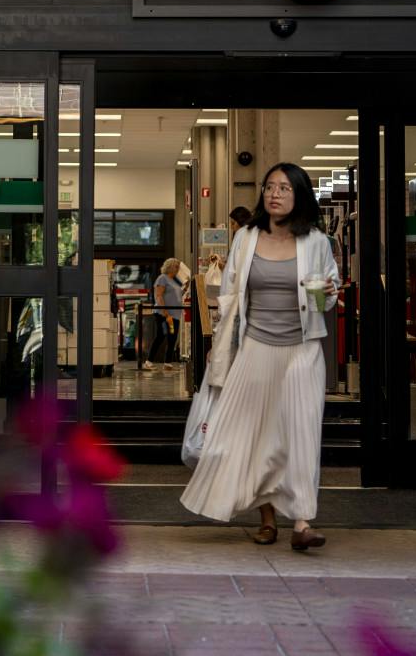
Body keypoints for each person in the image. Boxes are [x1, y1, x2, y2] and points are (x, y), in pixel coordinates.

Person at [180, 167, 341, 552]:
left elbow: (327, 295)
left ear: (299, 195)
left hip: (302, 349)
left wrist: (329, 292)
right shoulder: (247, 237)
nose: (275, 194)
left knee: (301, 434)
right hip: (255, 348)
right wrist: (221, 344)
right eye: (270, 187)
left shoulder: (316, 241)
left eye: (284, 188)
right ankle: (267, 519)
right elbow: (231, 296)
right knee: (259, 436)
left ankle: (302, 521)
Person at [144, 259, 185, 370]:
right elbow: (159, 295)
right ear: (170, 267)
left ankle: (167, 362)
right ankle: (149, 361)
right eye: (176, 267)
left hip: (174, 314)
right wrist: (165, 311)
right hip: (164, 314)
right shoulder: (162, 278)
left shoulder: (175, 280)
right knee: (161, 336)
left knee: (172, 337)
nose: (178, 269)